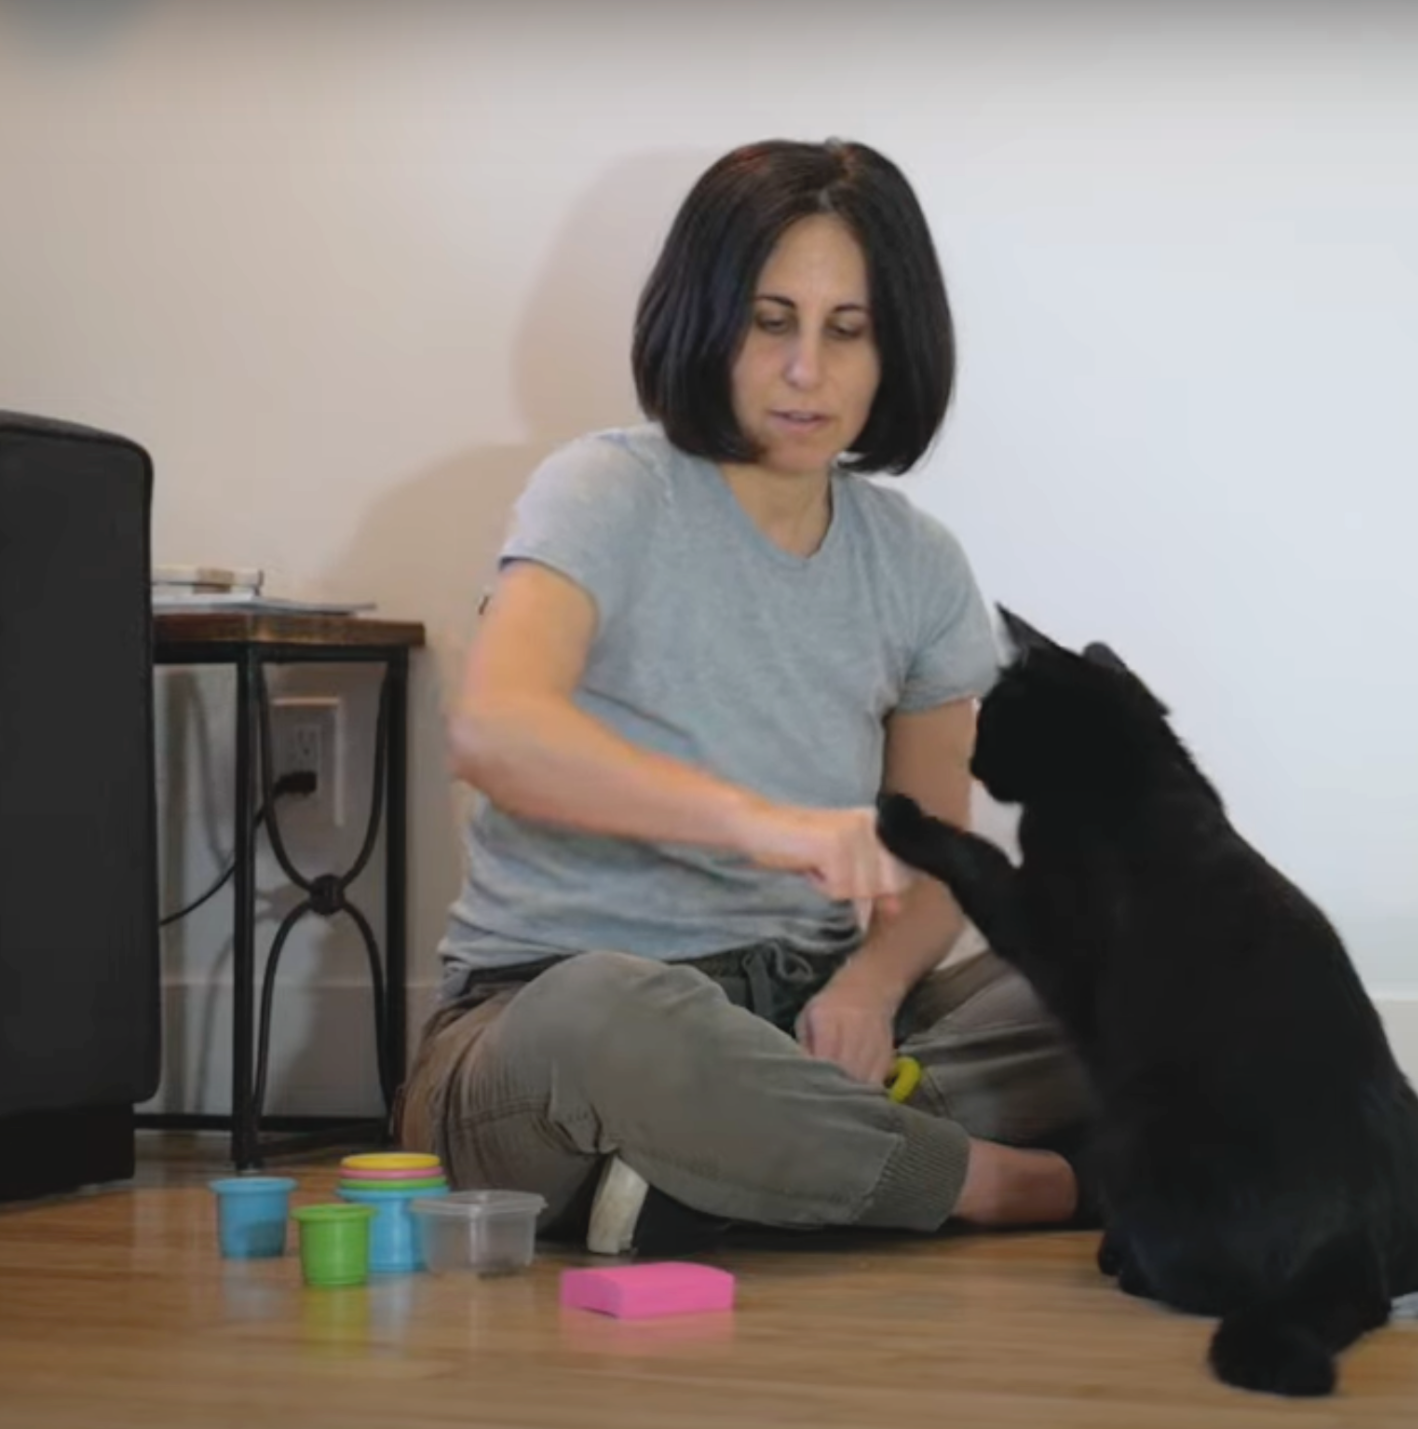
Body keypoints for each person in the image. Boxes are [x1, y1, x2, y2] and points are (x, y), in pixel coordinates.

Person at [391, 138, 1091, 1258]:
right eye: (771, 322)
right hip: (548, 1023)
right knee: (612, 1014)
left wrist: (866, 985)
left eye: (845, 330)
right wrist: (761, 824)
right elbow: (496, 730)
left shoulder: (915, 563)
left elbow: (936, 859)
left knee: (1112, 939)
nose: (805, 370)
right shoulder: (604, 491)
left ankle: (719, 1174)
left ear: (891, 346)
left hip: (809, 1024)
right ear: (707, 319)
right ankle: (1000, 1183)